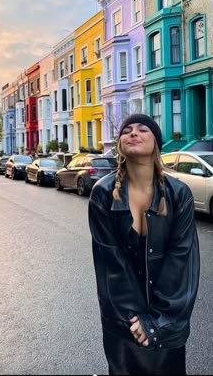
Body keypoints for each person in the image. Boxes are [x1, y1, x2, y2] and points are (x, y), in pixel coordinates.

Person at [88, 113, 200, 375]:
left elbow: (182, 261)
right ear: (120, 145)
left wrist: (158, 323)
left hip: (168, 321)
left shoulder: (178, 194)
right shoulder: (103, 194)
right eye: (127, 130)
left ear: (156, 144)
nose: (133, 133)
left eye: (142, 129)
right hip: (123, 324)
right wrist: (135, 321)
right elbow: (110, 265)